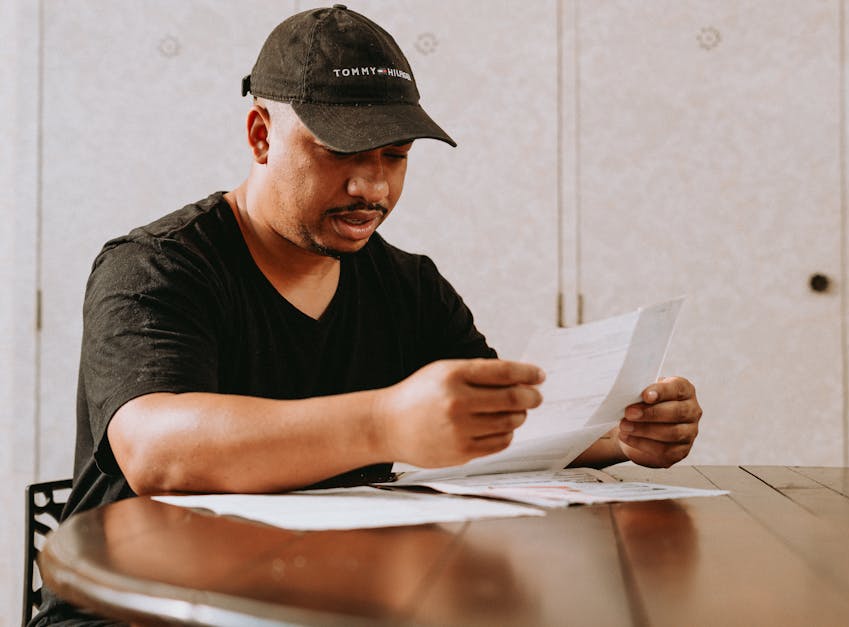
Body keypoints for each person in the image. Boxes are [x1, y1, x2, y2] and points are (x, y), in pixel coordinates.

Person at [31, 6, 702, 624]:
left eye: (395, 156)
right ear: (261, 136)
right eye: (340, 153)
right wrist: (387, 422)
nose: (371, 187)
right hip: (136, 612)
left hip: (324, 603)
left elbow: (496, 427)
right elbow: (157, 451)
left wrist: (616, 433)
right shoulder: (156, 266)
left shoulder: (408, 286)